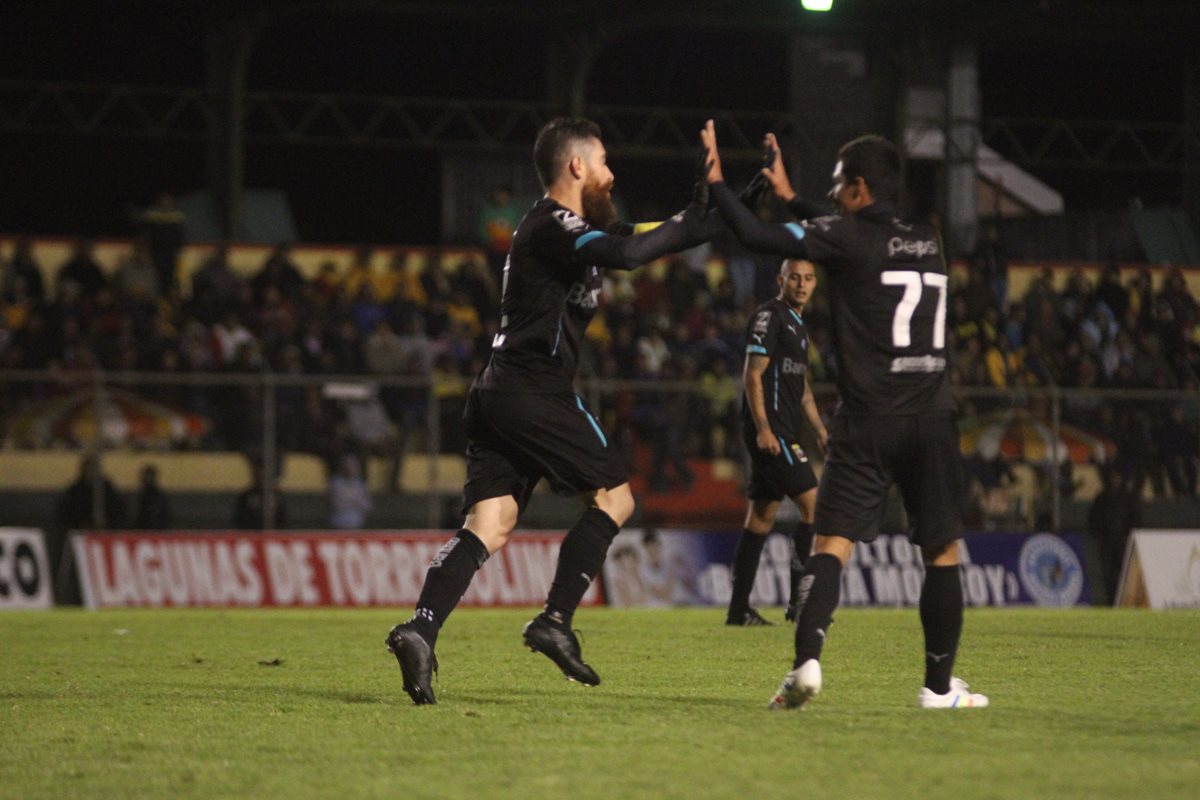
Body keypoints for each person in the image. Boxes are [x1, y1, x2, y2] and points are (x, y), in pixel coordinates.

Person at [384, 116, 713, 705]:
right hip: (533, 388)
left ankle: (420, 629)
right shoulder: (554, 223)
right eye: (606, 162)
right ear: (577, 166)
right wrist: (694, 217)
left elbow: (636, 233)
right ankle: (554, 621)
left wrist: (708, 214)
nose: (613, 175)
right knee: (616, 499)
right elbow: (632, 251)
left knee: (490, 525)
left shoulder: (569, 228)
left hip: (500, 390)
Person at [701, 120, 988, 710]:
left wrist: (718, 182)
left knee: (829, 543)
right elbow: (853, 232)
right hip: (933, 416)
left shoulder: (848, 238)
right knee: (942, 553)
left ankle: (806, 663)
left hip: (868, 420)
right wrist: (791, 196)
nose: (832, 194)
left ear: (859, 189)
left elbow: (757, 235)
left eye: (838, 185)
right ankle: (938, 688)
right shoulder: (929, 238)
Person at [726, 258, 828, 627]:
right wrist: (764, 428)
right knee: (814, 506)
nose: (801, 285)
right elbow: (753, 376)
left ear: (815, 284)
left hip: (785, 431)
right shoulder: (770, 317)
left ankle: (738, 611)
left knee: (762, 517)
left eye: (808, 279)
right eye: (794, 278)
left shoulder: (800, 326)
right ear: (779, 279)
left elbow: (801, 388)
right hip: (772, 434)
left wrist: (819, 429)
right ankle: (800, 603)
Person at [133, 464, 172, 529]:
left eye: (150, 477)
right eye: (146, 478)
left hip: (155, 530)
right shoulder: (141, 495)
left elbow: (162, 515)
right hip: (143, 529)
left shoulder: (158, 496)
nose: (148, 480)